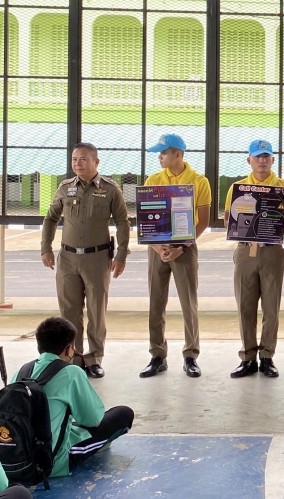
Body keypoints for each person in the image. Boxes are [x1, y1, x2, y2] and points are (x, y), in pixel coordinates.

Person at [41, 143, 130, 379]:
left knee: (96, 311)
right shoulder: (65, 188)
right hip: (68, 258)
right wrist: (45, 248)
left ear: (96, 162)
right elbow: (50, 218)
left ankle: (94, 358)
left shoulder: (110, 189)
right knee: (69, 312)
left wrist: (121, 254)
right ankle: (74, 358)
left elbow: (122, 222)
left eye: (83, 159)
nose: (77, 164)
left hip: (97, 259)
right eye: (74, 159)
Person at [10, 317, 134, 478]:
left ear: (39, 345)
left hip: (14, 460)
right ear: (69, 349)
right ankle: (98, 445)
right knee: (123, 413)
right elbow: (93, 420)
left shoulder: (20, 372)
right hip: (51, 463)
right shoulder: (71, 372)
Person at [224, 139, 284, 378]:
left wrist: (276, 224)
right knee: (245, 306)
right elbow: (228, 220)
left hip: (272, 251)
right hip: (245, 251)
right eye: (257, 156)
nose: (262, 161)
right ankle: (248, 358)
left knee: (271, 307)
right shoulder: (238, 188)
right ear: (249, 159)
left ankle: (267, 356)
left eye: (266, 156)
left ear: (273, 160)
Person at [139, 133, 211, 379]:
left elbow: (203, 221)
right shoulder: (153, 180)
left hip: (185, 250)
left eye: (163, 153)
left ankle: (191, 355)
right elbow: (145, 220)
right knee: (156, 303)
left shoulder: (199, 182)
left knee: (188, 303)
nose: (159, 157)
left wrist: (181, 248)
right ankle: (157, 355)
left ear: (178, 154)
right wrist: (159, 248)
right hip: (157, 249)